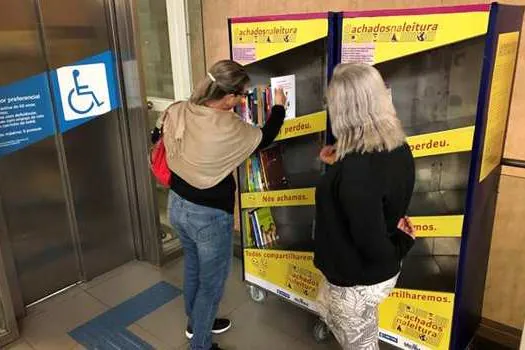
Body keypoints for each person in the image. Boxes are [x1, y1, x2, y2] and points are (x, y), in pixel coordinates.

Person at [151, 60, 286, 350]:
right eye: (241, 96)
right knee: (211, 284)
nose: (242, 101)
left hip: (177, 205)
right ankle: (200, 345)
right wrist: (279, 107)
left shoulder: (180, 108)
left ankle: (196, 322)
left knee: (193, 268)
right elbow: (265, 138)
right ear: (228, 96)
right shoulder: (229, 126)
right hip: (209, 217)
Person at [313, 63, 416, 349]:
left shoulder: (356, 174)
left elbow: (372, 245)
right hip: (370, 276)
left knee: (361, 342)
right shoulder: (398, 147)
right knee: (354, 323)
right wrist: (341, 163)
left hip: (358, 278)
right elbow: (377, 191)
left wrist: (404, 244)